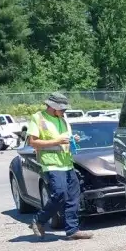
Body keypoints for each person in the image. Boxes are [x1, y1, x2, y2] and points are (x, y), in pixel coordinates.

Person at [26, 93, 93, 240]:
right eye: (61, 109)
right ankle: (39, 220)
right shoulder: (38, 118)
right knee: (60, 194)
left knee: (74, 196)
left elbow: (64, 139)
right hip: (52, 163)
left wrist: (72, 139)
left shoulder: (62, 119)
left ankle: (72, 230)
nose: (64, 111)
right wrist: (57, 141)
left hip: (67, 163)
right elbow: (33, 142)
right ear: (52, 106)